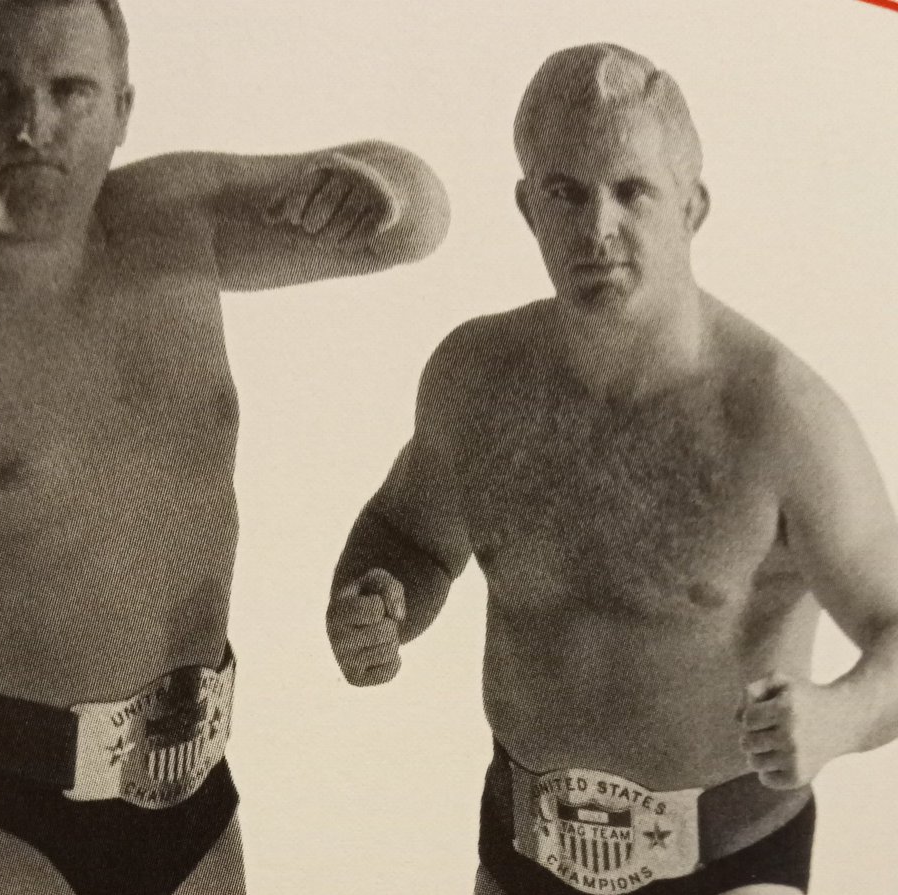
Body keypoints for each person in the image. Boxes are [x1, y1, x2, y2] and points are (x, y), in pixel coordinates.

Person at [0, 1, 450, 894]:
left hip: (187, 786)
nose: (33, 125)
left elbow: (414, 223)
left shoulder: (177, 220)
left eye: (70, 91)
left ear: (123, 108)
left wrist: (380, 187)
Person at [326, 43, 898, 895]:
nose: (597, 228)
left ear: (692, 207)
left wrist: (841, 717)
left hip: (732, 863)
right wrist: (374, 600)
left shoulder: (781, 416)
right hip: (522, 853)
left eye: (632, 190)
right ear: (528, 207)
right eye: (565, 191)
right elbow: (409, 534)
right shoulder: (475, 379)